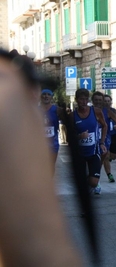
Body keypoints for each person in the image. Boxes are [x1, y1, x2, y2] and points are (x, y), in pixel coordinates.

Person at [0, 48, 83, 266]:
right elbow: (42, 250)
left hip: (52, 143)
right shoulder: (17, 106)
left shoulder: (51, 110)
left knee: (48, 169)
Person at [70, 89, 108, 194]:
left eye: (86, 99)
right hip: (80, 153)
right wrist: (79, 137)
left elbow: (104, 125)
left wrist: (102, 142)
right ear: (76, 100)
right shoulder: (73, 116)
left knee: (94, 183)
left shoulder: (96, 111)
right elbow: (70, 136)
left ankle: (89, 184)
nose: (84, 102)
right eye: (81, 99)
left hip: (94, 151)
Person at [39, 88, 64, 175]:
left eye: (48, 94)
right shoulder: (35, 109)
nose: (46, 96)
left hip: (53, 143)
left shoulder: (57, 110)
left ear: (51, 97)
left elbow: (66, 123)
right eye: (44, 94)